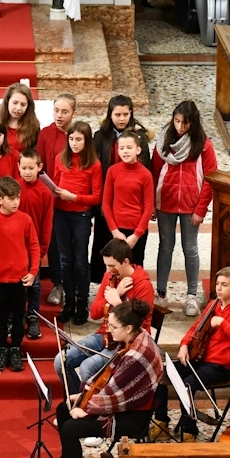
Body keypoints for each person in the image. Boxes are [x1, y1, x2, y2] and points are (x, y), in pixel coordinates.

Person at [40, 299, 162, 458]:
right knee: (63, 409)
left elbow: (116, 397)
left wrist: (87, 408)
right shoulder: (134, 338)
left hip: (133, 416)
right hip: (126, 405)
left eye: (113, 326)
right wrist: (83, 395)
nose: (108, 329)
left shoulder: (135, 356)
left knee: (70, 428)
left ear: (128, 328)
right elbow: (110, 382)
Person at [151, 267, 230, 442]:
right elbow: (195, 328)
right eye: (217, 283)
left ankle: (190, 430)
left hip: (219, 367)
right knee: (160, 373)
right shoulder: (213, 304)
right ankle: (161, 422)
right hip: (198, 358)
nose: (218, 288)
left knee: (187, 385)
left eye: (224, 285)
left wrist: (223, 323)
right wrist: (184, 345)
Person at [54, 239, 154, 396]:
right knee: (61, 361)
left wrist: (117, 302)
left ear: (125, 262)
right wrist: (114, 295)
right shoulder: (110, 276)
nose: (108, 270)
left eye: (112, 266)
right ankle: (77, 402)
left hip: (126, 344)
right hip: (104, 335)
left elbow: (138, 327)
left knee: (87, 367)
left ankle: (90, 408)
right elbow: (94, 313)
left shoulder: (143, 286)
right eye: (106, 265)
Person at [152, 100, 217, 317]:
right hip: (166, 202)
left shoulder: (203, 145)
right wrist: (153, 202)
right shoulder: (164, 141)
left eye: (185, 123)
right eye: (177, 121)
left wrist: (201, 209)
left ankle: (191, 295)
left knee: (190, 248)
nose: (180, 127)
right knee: (165, 246)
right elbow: (154, 173)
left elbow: (210, 179)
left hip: (191, 204)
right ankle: (161, 293)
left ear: (193, 123)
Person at [91, 95, 152, 283]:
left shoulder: (140, 137)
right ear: (110, 115)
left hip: (133, 203)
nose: (122, 118)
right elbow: (95, 167)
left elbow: (146, 168)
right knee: (106, 254)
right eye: (117, 114)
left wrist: (138, 232)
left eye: (126, 114)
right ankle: (105, 287)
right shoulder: (100, 136)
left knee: (133, 262)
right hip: (109, 202)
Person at [0, 177, 40, 372]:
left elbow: (34, 247)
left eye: (18, 197)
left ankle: (16, 349)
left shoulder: (25, 219)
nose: (16, 202)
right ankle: (2, 348)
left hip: (19, 279)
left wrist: (33, 272)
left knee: (18, 316)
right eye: (11, 198)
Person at [53, 121, 103, 326]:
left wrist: (73, 197)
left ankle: (82, 301)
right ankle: (69, 301)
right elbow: (55, 183)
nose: (74, 143)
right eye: (71, 139)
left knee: (80, 260)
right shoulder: (60, 158)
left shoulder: (94, 164)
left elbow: (97, 196)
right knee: (65, 260)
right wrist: (54, 192)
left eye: (79, 139)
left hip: (81, 216)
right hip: (60, 214)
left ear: (87, 141)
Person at [36, 93, 76, 308]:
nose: (59, 115)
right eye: (56, 110)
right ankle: (57, 284)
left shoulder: (78, 134)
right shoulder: (45, 133)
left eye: (65, 111)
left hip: (73, 198)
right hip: (51, 196)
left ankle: (75, 286)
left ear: (74, 113)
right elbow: (40, 165)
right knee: (53, 243)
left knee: (73, 244)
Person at [101, 130, 154, 267]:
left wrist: (136, 235)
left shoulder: (145, 174)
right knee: (115, 267)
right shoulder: (112, 171)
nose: (125, 151)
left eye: (129, 147)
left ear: (138, 150)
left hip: (136, 230)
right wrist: (114, 230)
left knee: (135, 266)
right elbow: (106, 203)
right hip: (116, 229)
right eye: (122, 148)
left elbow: (148, 208)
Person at [16, 149, 54, 339]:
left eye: (31, 168)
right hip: (14, 247)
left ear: (39, 168)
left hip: (34, 248)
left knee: (35, 284)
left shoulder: (45, 193)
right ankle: (16, 316)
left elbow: (47, 224)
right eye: (24, 168)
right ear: (18, 167)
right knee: (16, 285)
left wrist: (42, 249)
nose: (27, 172)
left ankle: (33, 316)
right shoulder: (14, 188)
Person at [0, 82, 39, 153]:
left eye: (23, 105)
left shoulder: (33, 127)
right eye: (15, 103)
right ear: (7, 101)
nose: (18, 108)